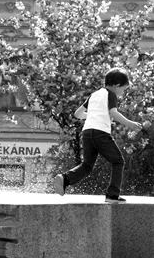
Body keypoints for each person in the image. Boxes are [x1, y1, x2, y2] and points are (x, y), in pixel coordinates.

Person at [52, 67, 142, 202]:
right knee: (118, 161)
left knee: (87, 165)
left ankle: (65, 178)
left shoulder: (94, 95)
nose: (122, 93)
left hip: (87, 133)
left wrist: (95, 114)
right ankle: (112, 195)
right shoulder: (111, 94)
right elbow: (113, 112)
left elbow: (78, 114)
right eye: (123, 89)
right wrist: (130, 124)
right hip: (101, 133)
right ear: (116, 86)